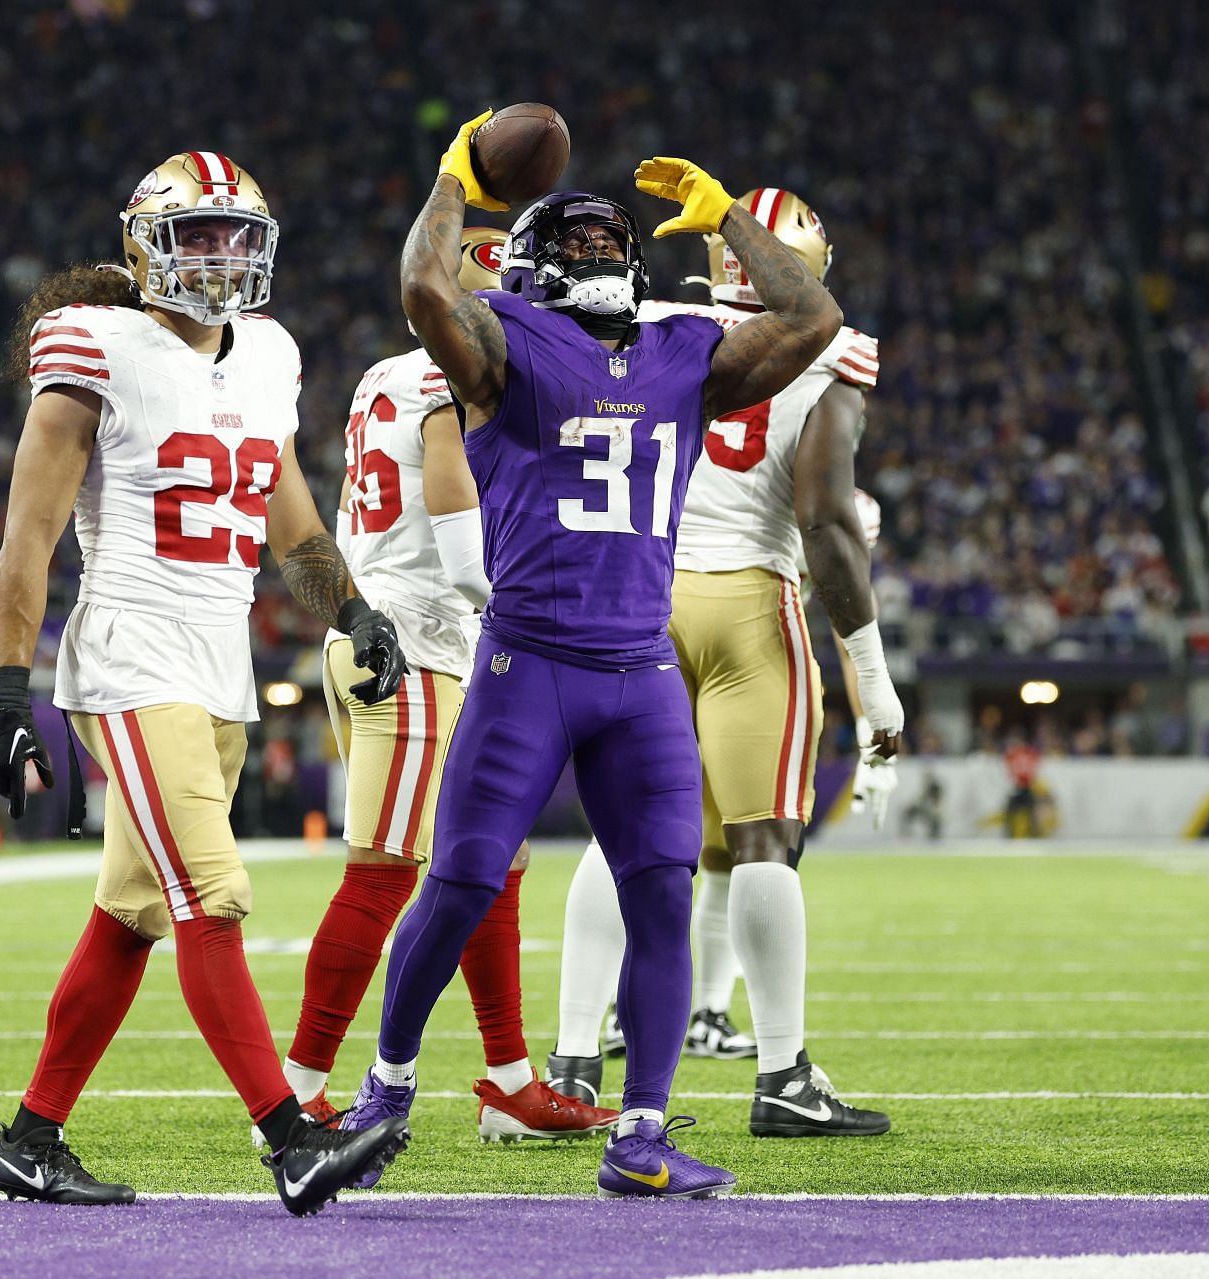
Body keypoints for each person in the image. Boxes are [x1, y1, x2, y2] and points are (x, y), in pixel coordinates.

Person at [336, 113, 842, 1200]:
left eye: (611, 244)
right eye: (589, 247)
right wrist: (451, 179)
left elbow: (812, 317)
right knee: (463, 882)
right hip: (532, 661)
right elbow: (430, 293)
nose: (601, 257)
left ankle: (641, 1132)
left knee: (660, 891)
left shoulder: (671, 351)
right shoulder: (526, 349)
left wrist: (733, 225)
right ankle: (385, 1088)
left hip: (637, 671)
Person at [0, 152, 411, 1215]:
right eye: (196, 234)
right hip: (130, 649)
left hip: (218, 664)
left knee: (131, 913)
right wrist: (10, 688)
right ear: (143, 246)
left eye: (234, 235)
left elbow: (287, 508)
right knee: (214, 894)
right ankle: (292, 1139)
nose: (219, 255)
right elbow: (28, 530)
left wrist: (350, 607)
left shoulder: (269, 355)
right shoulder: (94, 343)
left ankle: (31, 1139)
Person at [546, 192, 901, 1139]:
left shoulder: (651, 320)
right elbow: (827, 524)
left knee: (617, 839)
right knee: (763, 843)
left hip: (637, 597)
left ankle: (576, 1064)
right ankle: (783, 1073)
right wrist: (872, 670)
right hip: (751, 605)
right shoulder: (829, 349)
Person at [287, 227, 616, 1143]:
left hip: (413, 637)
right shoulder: (441, 373)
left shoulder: (385, 372)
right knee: (386, 873)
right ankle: (297, 1089)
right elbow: (455, 519)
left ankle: (509, 1079)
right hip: (413, 639)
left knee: (491, 867)